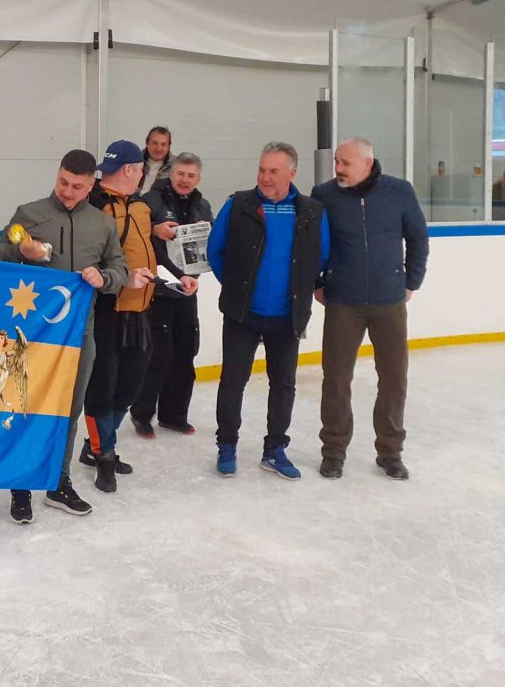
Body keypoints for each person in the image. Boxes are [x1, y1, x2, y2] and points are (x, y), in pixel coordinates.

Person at [0, 149, 129, 522]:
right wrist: (20, 251)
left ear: (90, 187)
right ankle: (19, 486)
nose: (68, 192)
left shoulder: (101, 225)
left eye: (77, 187)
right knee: (24, 407)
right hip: (31, 334)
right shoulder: (29, 213)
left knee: (68, 413)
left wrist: (105, 279)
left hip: (78, 335)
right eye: (63, 183)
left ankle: (58, 481)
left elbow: (120, 268)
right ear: (57, 176)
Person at [206, 141, 330, 480]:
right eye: (262, 169)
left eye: (273, 171)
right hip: (243, 313)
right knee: (233, 381)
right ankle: (227, 445)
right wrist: (235, 286)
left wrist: (300, 290)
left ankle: (275, 449)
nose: (265, 177)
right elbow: (215, 251)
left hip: (287, 315)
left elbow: (319, 257)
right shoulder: (238, 205)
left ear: (292, 173)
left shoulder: (311, 211)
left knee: (284, 385)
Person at [311, 137, 429, 480]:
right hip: (343, 300)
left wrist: (411, 282)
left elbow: (418, 238)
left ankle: (390, 451)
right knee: (335, 379)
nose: (338, 169)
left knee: (393, 378)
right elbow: (313, 243)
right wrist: (317, 282)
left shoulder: (399, 191)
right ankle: (333, 450)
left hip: (388, 300)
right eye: (336, 162)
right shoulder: (325, 195)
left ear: (367, 163)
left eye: (345, 163)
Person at [80, 140, 157, 493]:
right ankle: (104, 454)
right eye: (140, 168)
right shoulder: (94, 207)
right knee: (102, 386)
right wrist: (126, 279)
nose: (142, 174)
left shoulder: (141, 206)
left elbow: (147, 251)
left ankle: (94, 446)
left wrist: (176, 273)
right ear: (131, 169)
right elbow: (89, 262)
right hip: (106, 309)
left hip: (140, 308)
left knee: (129, 385)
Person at [131, 152, 213, 437]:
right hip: (157, 291)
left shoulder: (203, 206)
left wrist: (209, 235)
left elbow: (212, 247)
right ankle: (141, 414)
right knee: (157, 356)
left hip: (187, 292)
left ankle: (174, 415)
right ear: (171, 173)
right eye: (181, 173)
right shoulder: (150, 200)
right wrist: (155, 230)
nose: (185, 180)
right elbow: (133, 234)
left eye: (191, 175)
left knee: (185, 353)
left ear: (198, 178)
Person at [140, 126, 173, 196]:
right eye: (155, 143)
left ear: (169, 146)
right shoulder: (134, 161)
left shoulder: (176, 166)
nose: (159, 148)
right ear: (147, 143)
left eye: (163, 144)